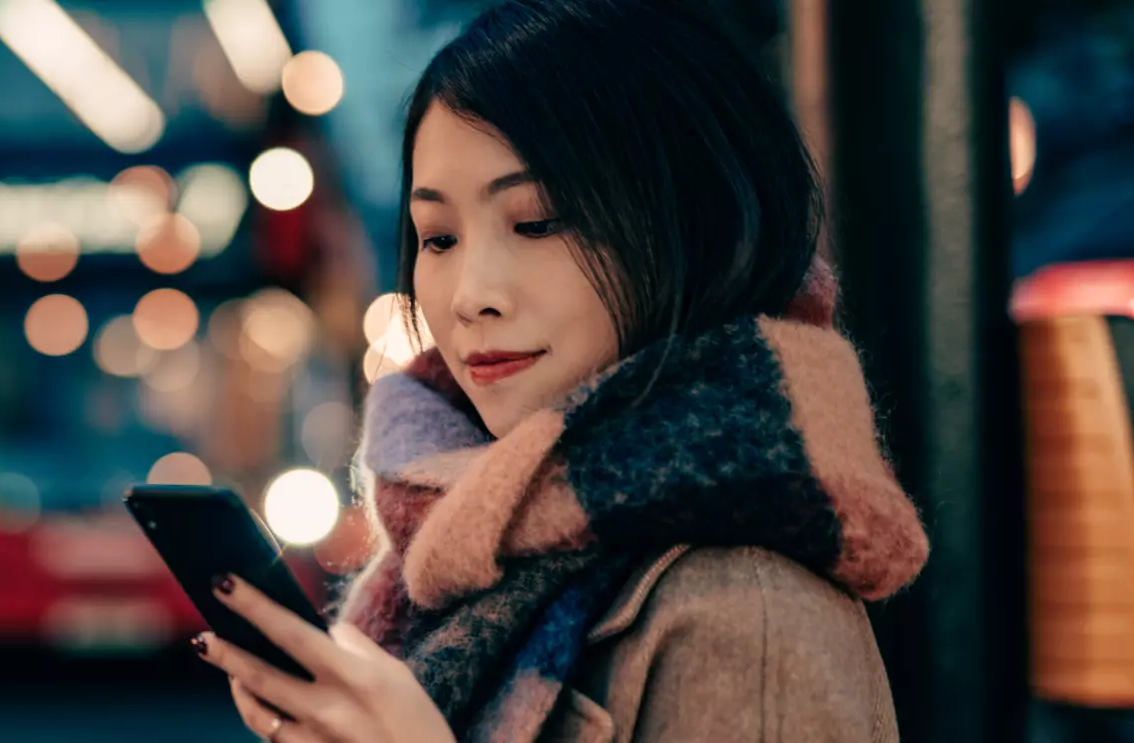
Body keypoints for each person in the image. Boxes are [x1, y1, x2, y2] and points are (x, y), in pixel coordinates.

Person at [189, 1, 931, 741]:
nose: (473, 294)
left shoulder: (749, 612)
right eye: (438, 236)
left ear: (686, 223)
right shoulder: (452, 554)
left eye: (537, 222)